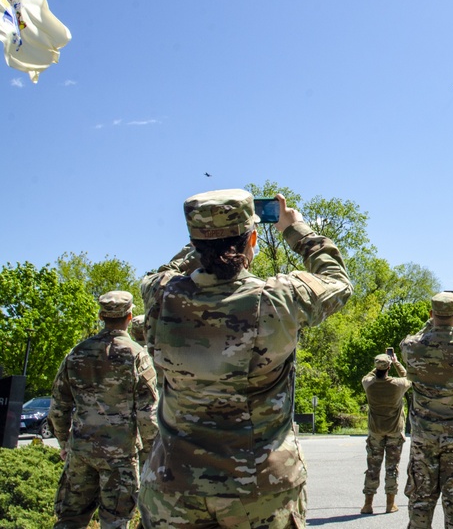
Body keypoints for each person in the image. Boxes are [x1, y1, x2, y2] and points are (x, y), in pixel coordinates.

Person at [138, 190, 353, 528]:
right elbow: (337, 282)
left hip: (174, 489)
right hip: (261, 490)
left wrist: (204, 239)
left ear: (195, 244)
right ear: (252, 238)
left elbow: (166, 270)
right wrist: (295, 229)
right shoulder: (279, 299)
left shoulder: (160, 294)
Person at [50, 290, 158, 529]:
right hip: (120, 456)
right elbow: (148, 414)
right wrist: (152, 453)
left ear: (101, 315)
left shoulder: (76, 353)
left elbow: (58, 407)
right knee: (116, 521)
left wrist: (64, 444)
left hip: (80, 452)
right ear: (130, 317)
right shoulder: (137, 355)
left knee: (69, 519)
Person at [398, 291, 453, 528]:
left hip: (424, 436)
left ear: (431, 314)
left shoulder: (413, 347)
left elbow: (410, 339)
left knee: (420, 503)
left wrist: (431, 323)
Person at [361, 351, 410, 514]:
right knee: (392, 467)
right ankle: (390, 503)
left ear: (376, 367)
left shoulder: (369, 384)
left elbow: (368, 375)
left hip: (375, 431)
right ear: (389, 367)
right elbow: (409, 376)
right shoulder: (398, 384)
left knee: (372, 467)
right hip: (394, 430)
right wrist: (396, 362)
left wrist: (379, 366)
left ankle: (368, 504)